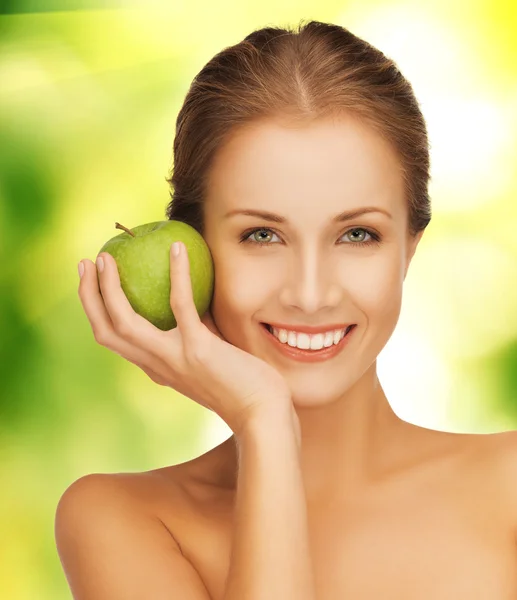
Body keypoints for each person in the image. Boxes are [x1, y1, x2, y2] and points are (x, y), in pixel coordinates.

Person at [55, 19, 517, 599]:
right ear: (191, 249)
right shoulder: (124, 519)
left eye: (356, 235)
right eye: (262, 236)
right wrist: (264, 422)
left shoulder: (509, 487)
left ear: (409, 248)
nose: (310, 292)